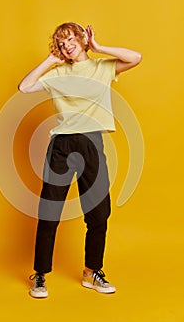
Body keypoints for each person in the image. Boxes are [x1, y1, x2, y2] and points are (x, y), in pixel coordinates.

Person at [18, 22, 142, 298]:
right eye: (61, 44)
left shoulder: (102, 67)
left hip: (91, 143)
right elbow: (24, 88)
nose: (66, 46)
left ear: (82, 39)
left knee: (99, 213)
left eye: (71, 39)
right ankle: (40, 275)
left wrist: (98, 48)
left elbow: (136, 57)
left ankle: (91, 272)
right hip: (62, 144)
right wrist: (50, 60)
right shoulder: (58, 72)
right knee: (49, 212)